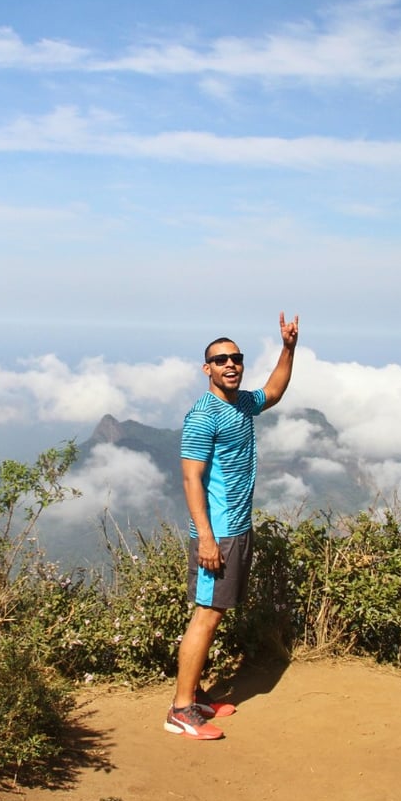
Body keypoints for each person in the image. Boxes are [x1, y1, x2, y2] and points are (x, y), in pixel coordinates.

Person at [164, 312, 299, 740]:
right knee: (206, 615)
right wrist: (205, 537)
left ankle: (196, 694)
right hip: (217, 533)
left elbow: (273, 391)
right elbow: (190, 478)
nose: (230, 364)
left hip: (236, 529)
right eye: (221, 359)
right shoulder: (203, 416)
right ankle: (181, 710)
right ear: (207, 369)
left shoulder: (241, 404)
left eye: (236, 358)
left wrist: (288, 348)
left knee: (214, 613)